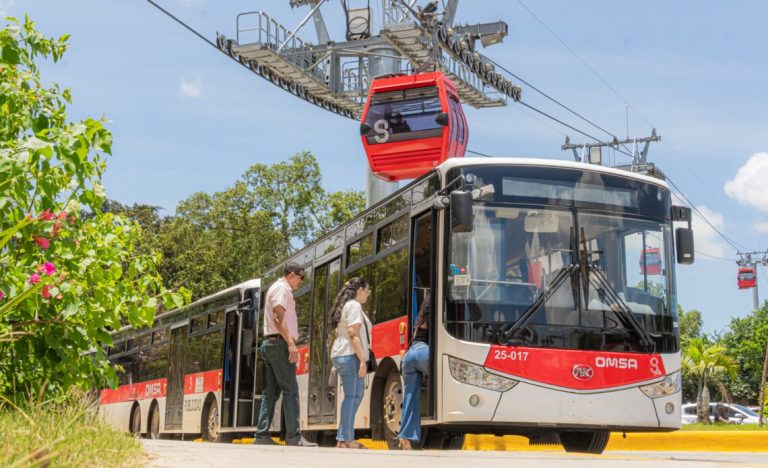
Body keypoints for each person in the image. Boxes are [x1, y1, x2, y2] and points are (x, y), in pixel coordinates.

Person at [253, 263, 317, 447]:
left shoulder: (276, 287)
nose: (301, 281)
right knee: (291, 390)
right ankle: (294, 437)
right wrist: (291, 343)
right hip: (279, 344)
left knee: (270, 393)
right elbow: (278, 318)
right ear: (291, 274)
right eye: (300, 276)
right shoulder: (282, 288)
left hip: (270, 343)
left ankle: (261, 434)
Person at [329, 277, 372, 449]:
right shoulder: (354, 305)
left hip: (341, 354)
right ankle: (345, 439)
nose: (368, 294)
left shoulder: (346, 306)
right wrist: (362, 360)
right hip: (350, 354)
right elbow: (353, 333)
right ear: (360, 289)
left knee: (354, 395)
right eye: (367, 290)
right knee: (353, 396)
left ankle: (344, 437)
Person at [398, 292, 431, 450]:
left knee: (410, 397)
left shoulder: (422, 314)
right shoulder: (441, 307)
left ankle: (405, 437)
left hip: (410, 354)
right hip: (423, 351)